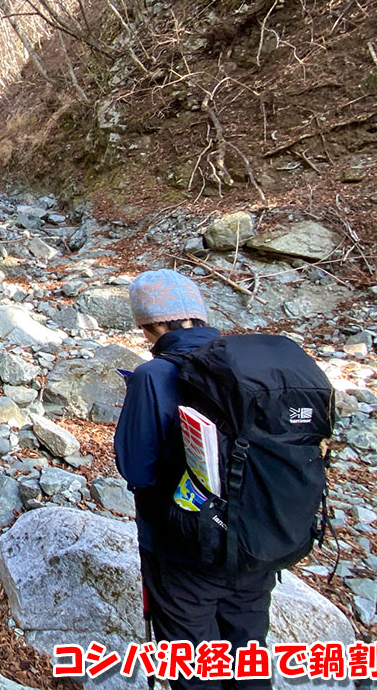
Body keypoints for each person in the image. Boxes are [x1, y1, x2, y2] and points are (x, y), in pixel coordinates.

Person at [114, 269, 276, 690]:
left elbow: (135, 468)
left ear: (149, 324)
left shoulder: (155, 376)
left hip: (183, 545)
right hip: (258, 543)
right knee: (248, 654)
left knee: (193, 664)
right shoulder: (252, 367)